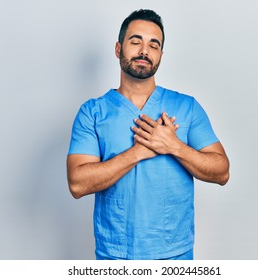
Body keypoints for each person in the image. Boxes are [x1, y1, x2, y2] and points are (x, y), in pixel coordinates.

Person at [67, 9, 230, 260]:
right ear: (118, 49)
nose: (144, 51)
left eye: (154, 45)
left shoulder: (187, 107)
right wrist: (137, 152)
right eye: (136, 41)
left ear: (161, 55)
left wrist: (174, 146)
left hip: (174, 256)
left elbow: (222, 172)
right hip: (115, 256)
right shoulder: (93, 112)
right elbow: (77, 183)